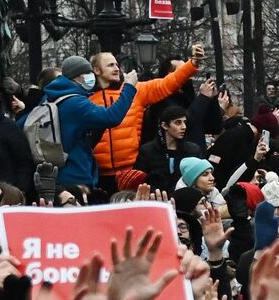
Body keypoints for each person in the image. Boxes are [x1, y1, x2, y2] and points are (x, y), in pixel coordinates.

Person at [87, 44, 202, 194]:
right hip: (97, 174)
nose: (116, 68)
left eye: (117, 64)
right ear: (97, 70)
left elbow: (168, 83)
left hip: (130, 171)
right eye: (110, 65)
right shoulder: (86, 98)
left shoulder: (137, 90)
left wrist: (192, 64)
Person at [42, 55, 137, 194]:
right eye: (87, 73)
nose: (91, 76)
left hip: (58, 174)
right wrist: (129, 87)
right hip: (75, 177)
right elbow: (112, 117)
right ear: (76, 77)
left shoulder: (51, 97)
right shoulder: (75, 103)